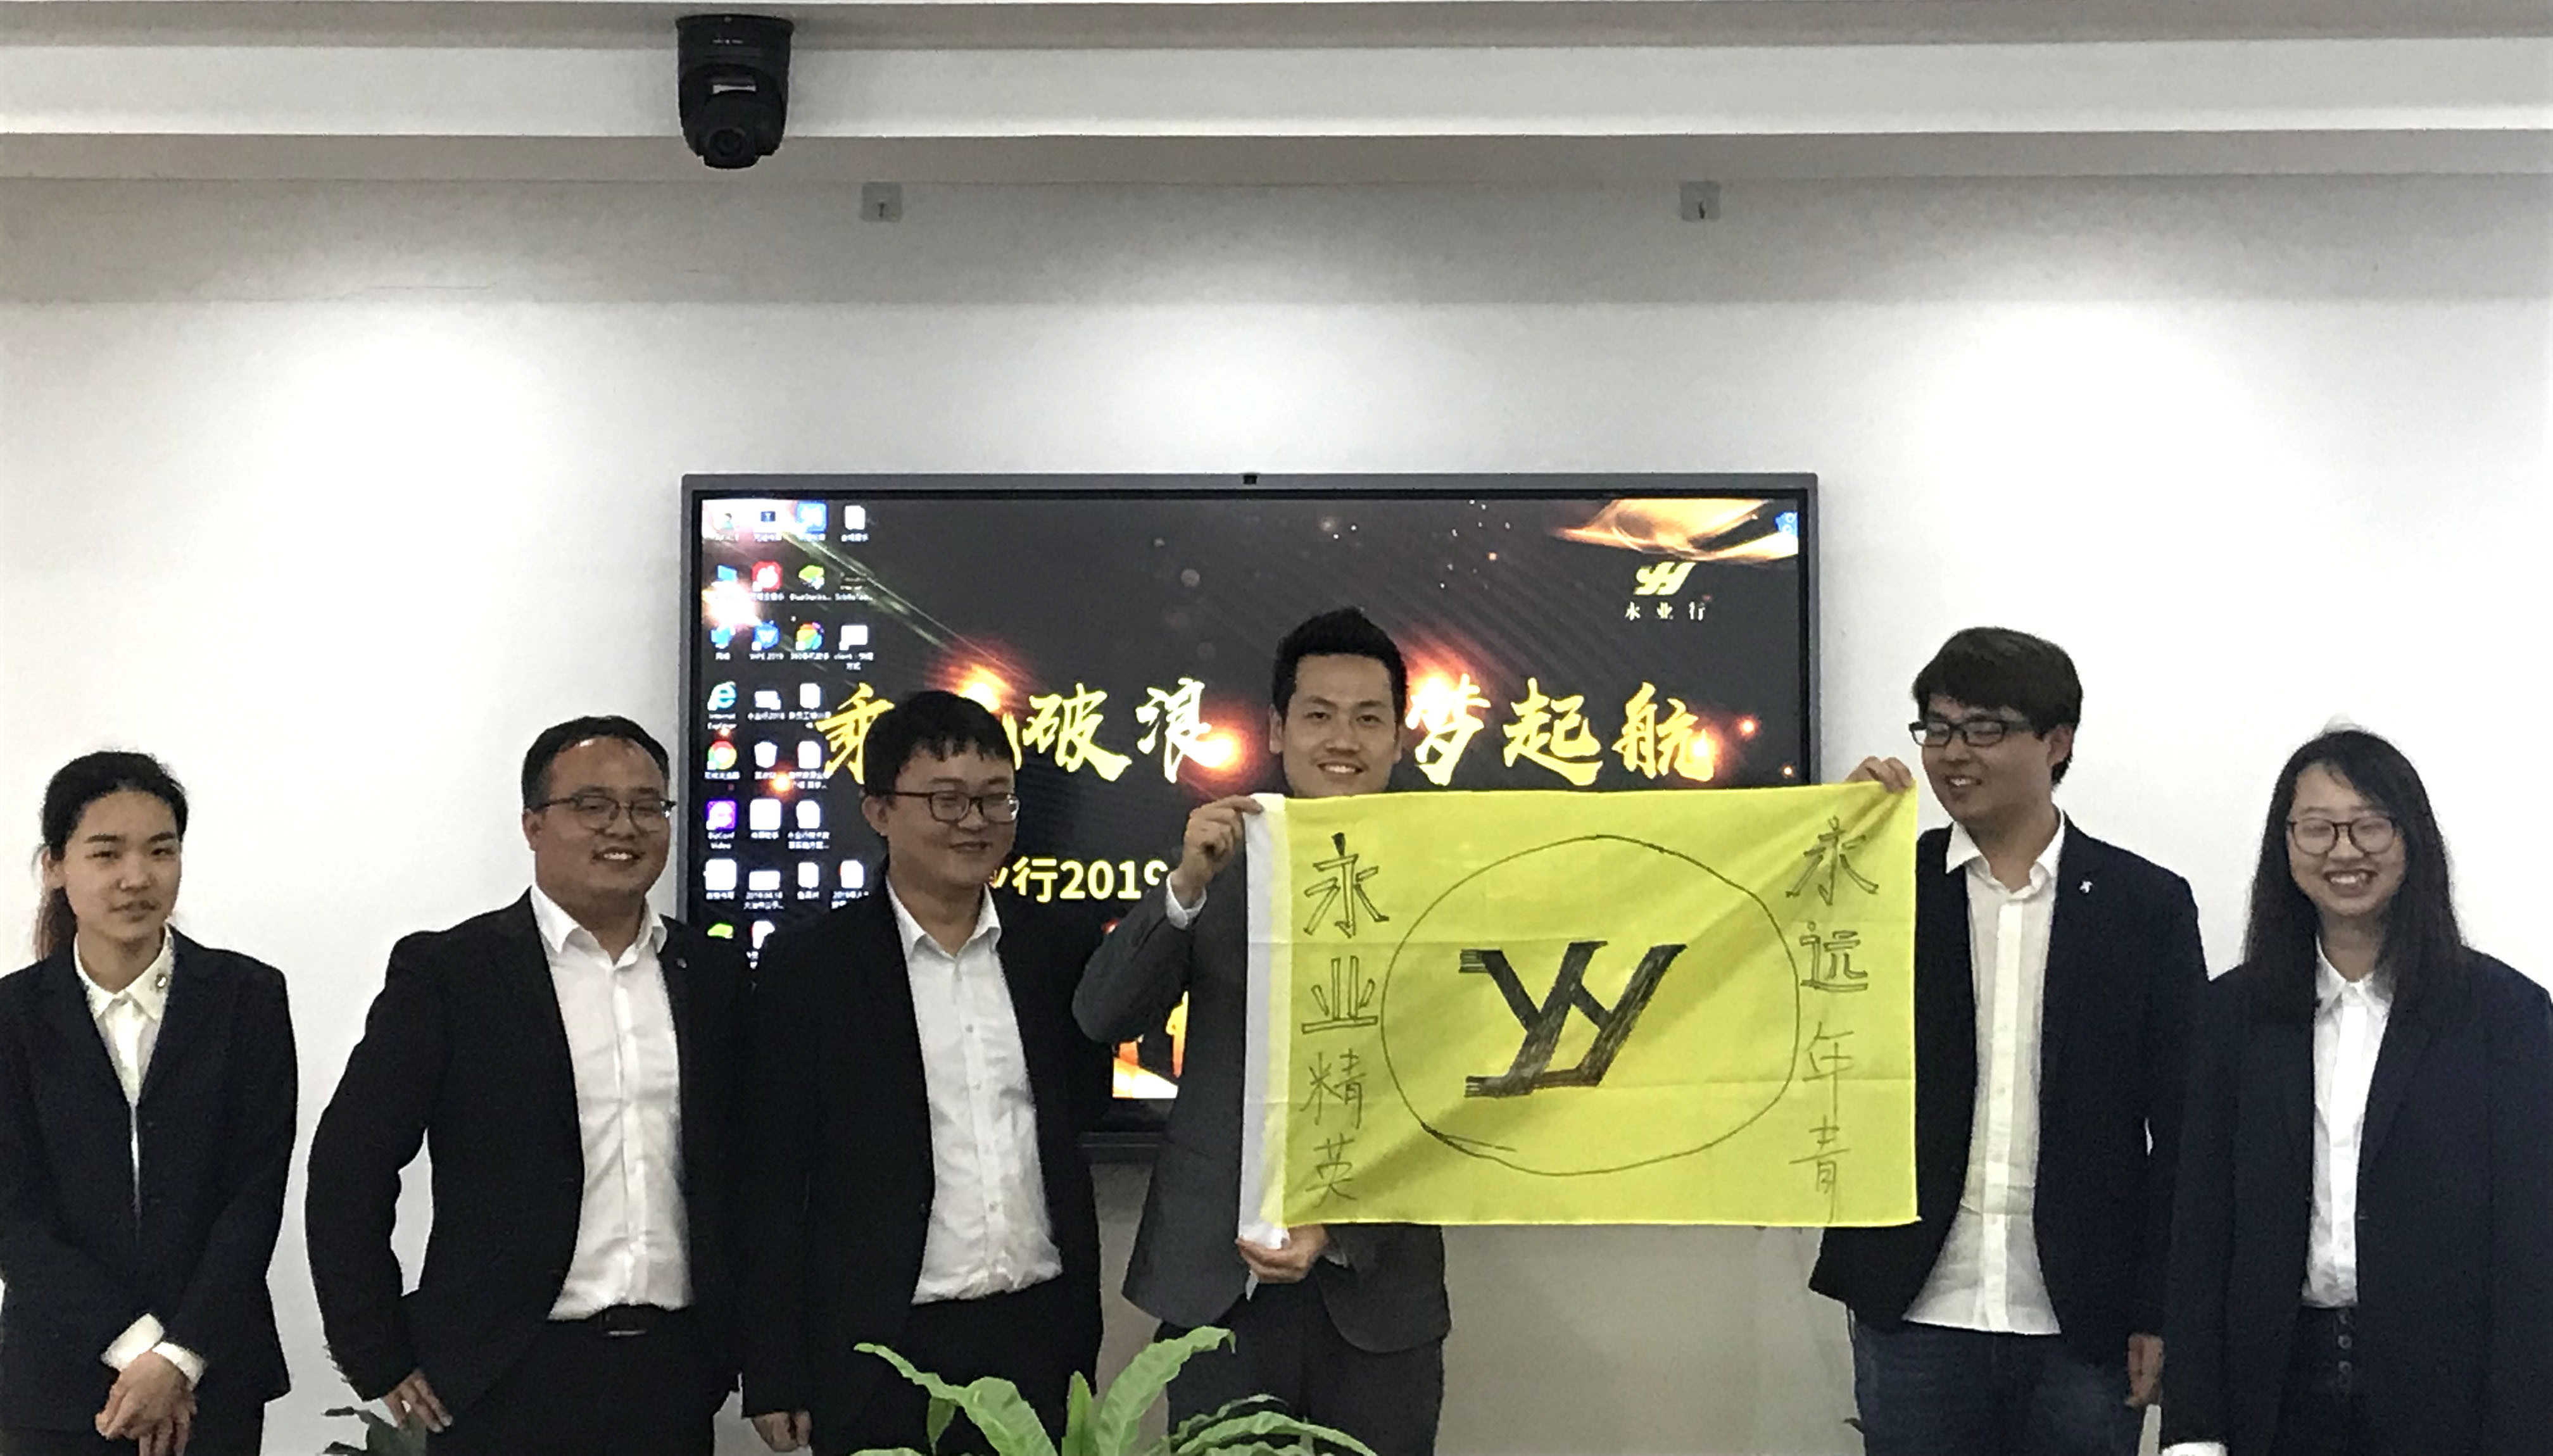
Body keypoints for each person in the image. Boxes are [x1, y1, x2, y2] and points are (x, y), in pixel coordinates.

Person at [1810, 627, 2206, 1456]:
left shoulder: (2144, 905)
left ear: (2057, 742)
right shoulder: (1881, 886)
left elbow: (2183, 1128)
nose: (1954, 753)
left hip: (2083, 1316)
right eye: (1937, 728)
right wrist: (1825, 838)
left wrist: (2162, 1309)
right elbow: (1774, 983)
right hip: (1915, 1302)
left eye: (1984, 728)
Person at [305, 716, 749, 1455]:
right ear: (533, 823)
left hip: (671, 1372)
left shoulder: (712, 974)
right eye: (594, 805)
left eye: (647, 806)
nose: (624, 826)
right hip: (505, 1372)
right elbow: (350, 1165)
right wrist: (376, 1349)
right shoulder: (453, 973)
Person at [1075, 607, 1450, 1454]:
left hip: (1380, 1291)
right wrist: (1185, 888)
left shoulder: (1446, 882)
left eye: (1368, 717)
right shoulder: (1222, 858)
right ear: (1278, 730)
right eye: (1319, 714)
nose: (1342, 739)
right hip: (1218, 1284)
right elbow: (1103, 1015)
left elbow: (1457, 1090)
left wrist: (1340, 1227)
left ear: (1400, 736)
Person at [2162, 729, 2553, 1456]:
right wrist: (2193, 1429)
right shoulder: (2233, 1015)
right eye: (2317, 827)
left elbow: (2530, 1248)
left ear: (2412, 839)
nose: (2344, 850)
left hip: (2446, 1399)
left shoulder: (2505, 1015)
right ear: (2286, 844)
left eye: (2370, 825)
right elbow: (2201, 1227)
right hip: (2275, 1393)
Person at [738, 693, 1108, 1455]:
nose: (975, 821)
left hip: (1037, 1331)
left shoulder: (1056, 948)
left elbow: (1081, 1112)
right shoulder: (810, 967)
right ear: (878, 810)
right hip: (881, 1345)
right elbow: (768, 1177)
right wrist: (774, 1369)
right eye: (946, 799)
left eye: (995, 798)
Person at [0, 751, 295, 1456]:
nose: (137, 877)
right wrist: (138, 1350)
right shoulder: (12, 1017)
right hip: (58, 1382)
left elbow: (254, 1195)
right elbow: (14, 1215)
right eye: (106, 853)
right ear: (55, 865)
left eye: (161, 850)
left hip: (213, 1373)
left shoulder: (247, 998)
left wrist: (180, 1357)